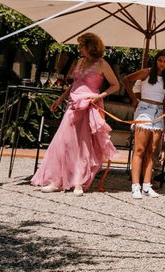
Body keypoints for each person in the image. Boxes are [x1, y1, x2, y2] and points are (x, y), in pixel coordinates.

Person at [31, 33, 119, 196]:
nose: (79, 48)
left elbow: (115, 85)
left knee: (83, 144)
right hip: (73, 105)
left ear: (90, 47)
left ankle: (78, 181)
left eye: (81, 46)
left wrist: (100, 96)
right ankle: (56, 180)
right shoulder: (79, 61)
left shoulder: (102, 64)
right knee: (63, 141)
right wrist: (60, 99)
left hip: (89, 106)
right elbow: (74, 84)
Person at [122, 50, 165, 200]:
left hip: (159, 113)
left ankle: (147, 185)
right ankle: (135, 186)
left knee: (152, 150)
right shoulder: (146, 72)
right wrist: (133, 98)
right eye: (160, 60)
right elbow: (126, 79)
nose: (162, 63)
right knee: (139, 149)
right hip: (144, 109)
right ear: (155, 60)